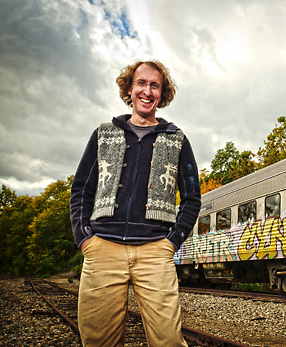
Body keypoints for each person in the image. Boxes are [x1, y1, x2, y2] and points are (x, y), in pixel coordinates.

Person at [70, 60, 201, 347]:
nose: (147, 91)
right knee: (98, 341)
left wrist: (172, 242)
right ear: (129, 89)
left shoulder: (177, 139)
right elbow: (81, 189)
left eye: (155, 85)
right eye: (141, 83)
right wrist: (84, 239)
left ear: (162, 94)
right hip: (102, 248)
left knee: (168, 340)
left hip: (155, 251)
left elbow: (192, 197)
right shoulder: (104, 134)